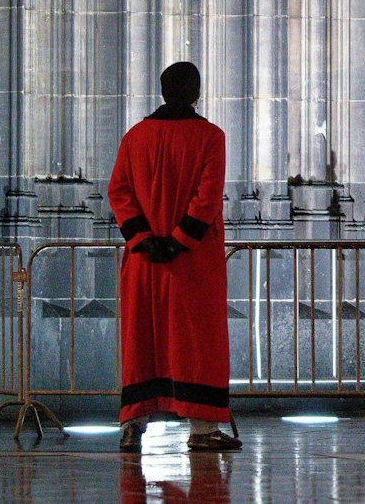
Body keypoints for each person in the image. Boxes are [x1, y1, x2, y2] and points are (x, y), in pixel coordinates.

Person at [108, 62, 234, 453]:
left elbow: (118, 192)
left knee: (141, 342)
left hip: (144, 261)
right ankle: (203, 428)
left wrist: (145, 239)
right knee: (198, 344)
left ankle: (132, 425)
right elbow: (207, 198)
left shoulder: (135, 137)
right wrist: (178, 242)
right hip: (192, 261)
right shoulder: (210, 137)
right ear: (197, 93)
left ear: (163, 92)